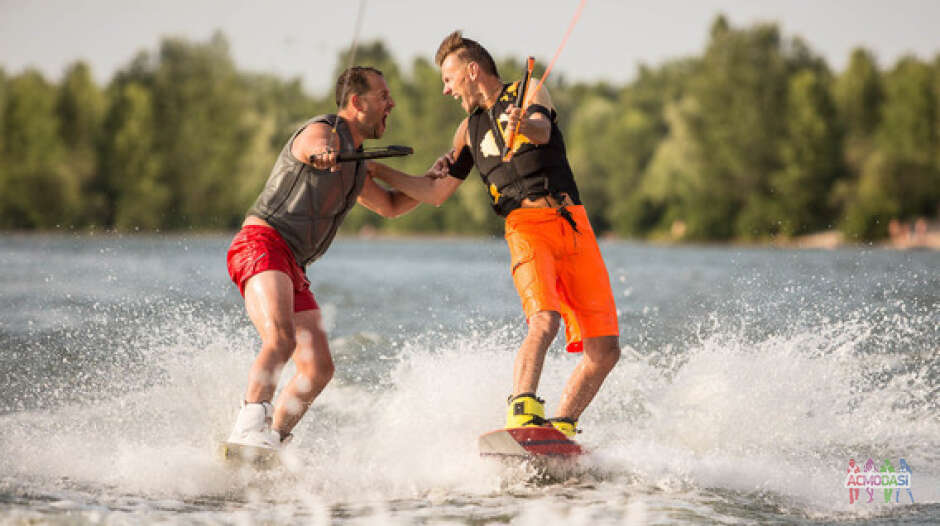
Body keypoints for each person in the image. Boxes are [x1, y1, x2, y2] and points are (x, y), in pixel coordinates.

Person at [370, 31, 620, 437]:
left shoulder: (529, 90)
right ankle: (522, 410)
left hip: (573, 224)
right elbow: (435, 192)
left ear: (472, 71)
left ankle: (561, 427)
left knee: (605, 350)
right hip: (525, 227)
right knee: (545, 319)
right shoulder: (466, 132)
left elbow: (541, 129)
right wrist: (381, 172)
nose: (446, 89)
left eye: (449, 79)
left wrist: (526, 122)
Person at [225, 66, 431, 449]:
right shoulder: (323, 131)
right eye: (384, 96)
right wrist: (322, 154)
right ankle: (247, 426)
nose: (392, 103)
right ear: (357, 102)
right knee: (281, 339)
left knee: (318, 368)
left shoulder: (355, 165)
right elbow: (311, 144)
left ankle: (271, 441)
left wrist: (430, 181)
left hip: (292, 265)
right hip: (261, 244)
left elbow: (388, 205)